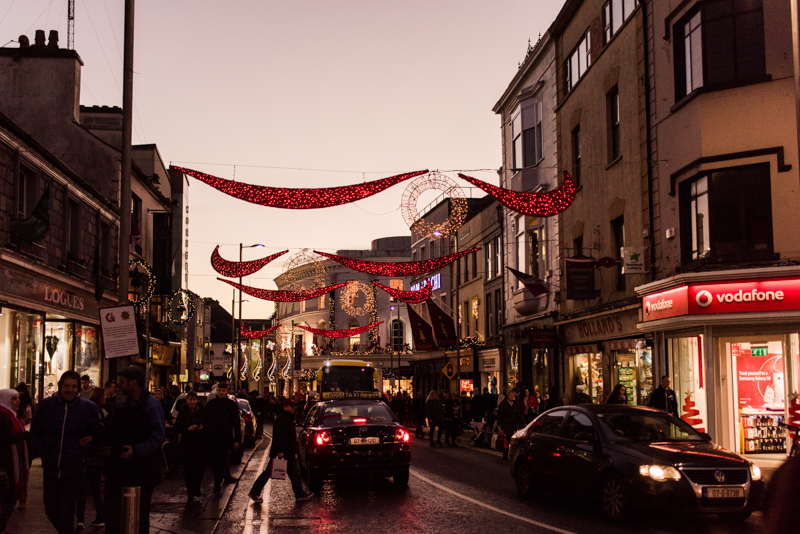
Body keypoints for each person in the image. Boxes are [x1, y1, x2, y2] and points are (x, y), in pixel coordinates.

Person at [30, 371, 104, 534]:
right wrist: (42, 449)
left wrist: (86, 450)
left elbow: (99, 436)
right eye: (66, 386)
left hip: (74, 469)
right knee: (50, 508)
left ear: (78, 388)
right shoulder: (46, 406)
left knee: (66, 511)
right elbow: (35, 431)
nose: (70, 390)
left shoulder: (88, 408)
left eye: (73, 386)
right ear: (60, 387)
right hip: (51, 468)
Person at [104, 366, 165, 534]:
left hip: (143, 471)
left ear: (133, 383)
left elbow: (158, 437)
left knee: (139, 516)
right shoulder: (123, 406)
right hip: (121, 470)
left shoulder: (151, 406)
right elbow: (113, 433)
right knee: (114, 514)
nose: (118, 385)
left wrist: (136, 450)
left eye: (122, 382)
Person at [248, 399, 313, 503]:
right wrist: (280, 451)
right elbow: (279, 437)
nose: (294, 408)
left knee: (293, 473)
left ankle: (299, 494)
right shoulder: (282, 419)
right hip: (285, 452)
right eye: (291, 406)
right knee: (275, 473)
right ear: (285, 407)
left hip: (288, 452)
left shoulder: (287, 418)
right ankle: (255, 492)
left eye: (294, 406)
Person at [76, 388, 109, 530]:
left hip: (89, 457)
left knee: (83, 489)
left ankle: (80, 519)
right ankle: (100, 517)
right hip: (97, 457)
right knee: (95, 489)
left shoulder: (94, 413)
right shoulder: (101, 413)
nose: (106, 398)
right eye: (105, 395)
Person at [204, 381, 241, 496]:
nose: (221, 392)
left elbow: (236, 423)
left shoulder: (231, 405)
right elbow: (206, 421)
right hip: (212, 438)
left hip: (225, 438)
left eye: (223, 390)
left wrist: (237, 440)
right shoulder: (211, 404)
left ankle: (217, 486)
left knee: (220, 461)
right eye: (219, 390)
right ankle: (218, 482)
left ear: (227, 391)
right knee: (213, 462)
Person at [0, 389, 28, 534]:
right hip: (6, 463)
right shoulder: (4, 417)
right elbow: (7, 439)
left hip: (8, 461)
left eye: (18, 398)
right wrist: (24, 435)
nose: (18, 401)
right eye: (14, 399)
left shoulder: (9, 415)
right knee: (9, 495)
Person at [174, 390, 206, 502]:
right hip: (188, 444)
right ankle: (190, 493)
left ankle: (196, 488)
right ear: (187, 401)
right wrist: (187, 429)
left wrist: (202, 427)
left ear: (197, 401)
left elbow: (208, 424)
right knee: (189, 470)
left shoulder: (202, 411)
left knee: (200, 468)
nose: (192, 402)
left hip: (200, 444)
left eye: (193, 400)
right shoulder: (183, 412)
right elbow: (177, 427)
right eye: (190, 400)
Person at [496, 388, 526, 460]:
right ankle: (505, 456)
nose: (513, 396)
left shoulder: (515, 404)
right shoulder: (503, 404)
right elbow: (500, 415)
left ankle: (511, 455)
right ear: (508, 396)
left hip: (513, 425)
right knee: (508, 441)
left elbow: (518, 414)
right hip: (506, 425)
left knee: (513, 441)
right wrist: (499, 425)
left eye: (514, 395)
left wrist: (524, 422)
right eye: (511, 395)